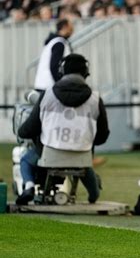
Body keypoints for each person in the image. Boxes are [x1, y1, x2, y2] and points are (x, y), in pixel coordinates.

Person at [16, 54, 109, 205]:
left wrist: (22, 132)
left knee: (25, 160)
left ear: (61, 71)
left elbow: (29, 128)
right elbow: (102, 136)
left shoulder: (47, 95)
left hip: (50, 154)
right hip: (82, 156)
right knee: (84, 164)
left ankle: (29, 187)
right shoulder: (95, 99)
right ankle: (94, 194)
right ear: (86, 73)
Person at [34, 18, 74, 91]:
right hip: (49, 87)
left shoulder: (54, 41)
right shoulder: (59, 43)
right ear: (64, 27)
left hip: (44, 85)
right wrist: (60, 84)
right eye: (71, 27)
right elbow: (54, 66)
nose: (73, 29)